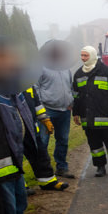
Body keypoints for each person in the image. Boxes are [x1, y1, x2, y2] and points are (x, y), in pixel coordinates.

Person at [0, 36, 38, 214]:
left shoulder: (12, 90)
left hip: (13, 162)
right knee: (6, 211)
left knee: (17, 206)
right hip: (1, 166)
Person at [73, 46, 108, 177]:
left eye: (85, 56)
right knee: (95, 145)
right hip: (88, 119)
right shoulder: (78, 74)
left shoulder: (107, 72)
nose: (83, 58)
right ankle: (100, 167)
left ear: (92, 55)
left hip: (106, 117)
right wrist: (75, 113)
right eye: (82, 56)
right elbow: (76, 96)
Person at [36, 40, 75, 178]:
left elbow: (70, 87)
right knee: (43, 141)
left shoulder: (66, 68)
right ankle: (42, 170)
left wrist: (71, 102)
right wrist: (40, 108)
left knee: (63, 140)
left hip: (64, 110)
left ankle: (61, 167)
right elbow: (36, 88)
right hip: (47, 111)